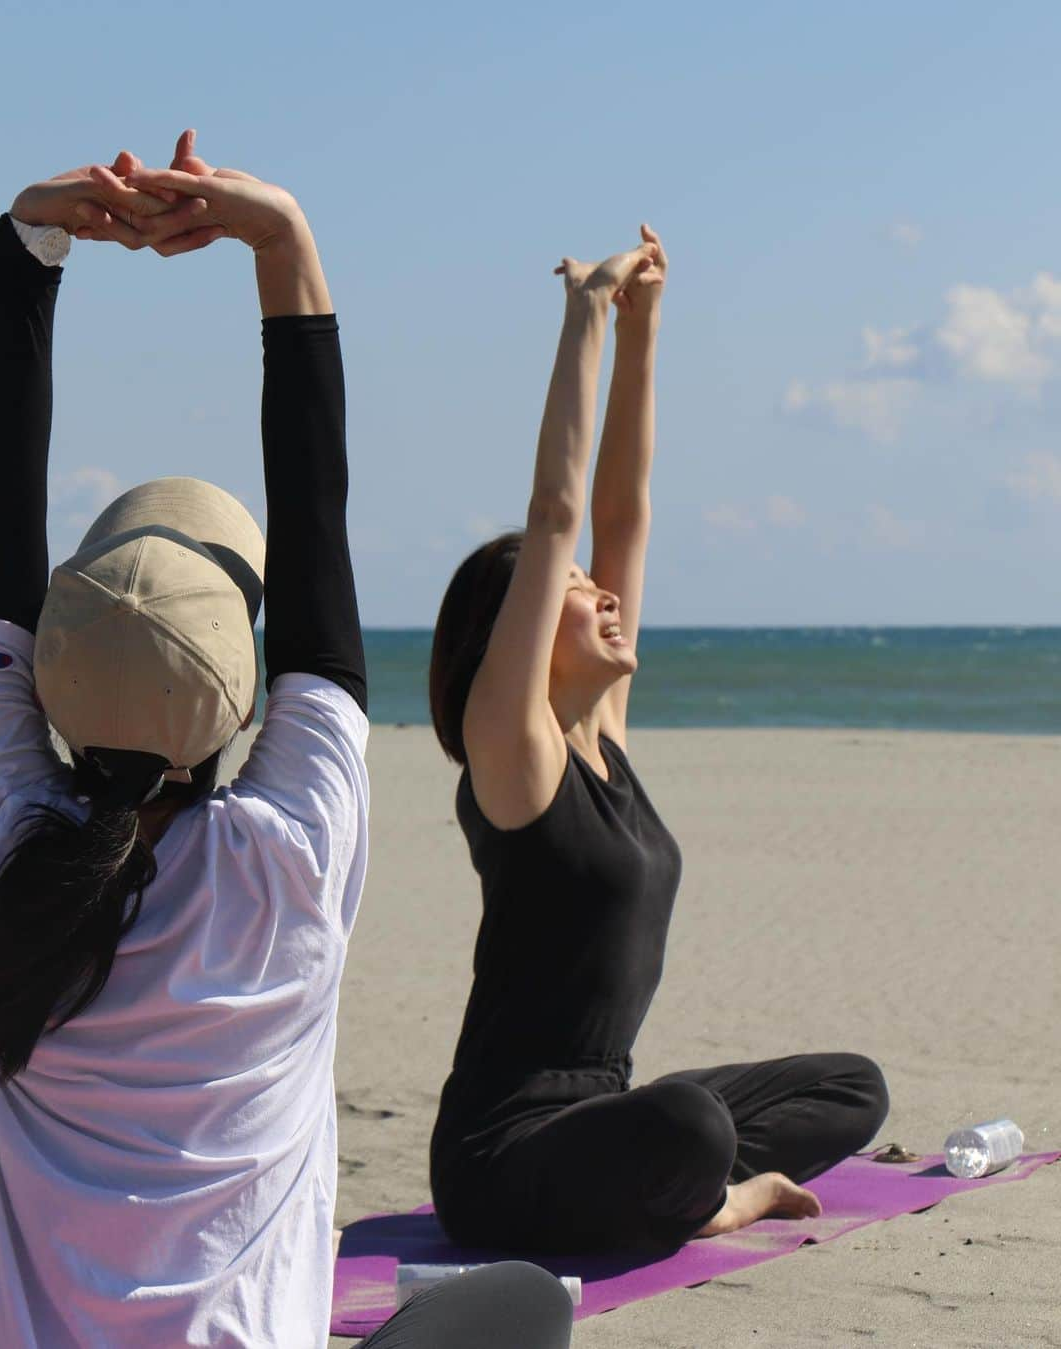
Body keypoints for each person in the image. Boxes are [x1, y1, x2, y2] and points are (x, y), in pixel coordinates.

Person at [0, 134, 573, 1349]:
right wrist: (279, 239)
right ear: (240, 699)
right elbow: (316, 532)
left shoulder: (2, 838)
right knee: (515, 1310)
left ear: (46, 674)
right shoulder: (282, 862)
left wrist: (29, 248)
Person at [427, 227, 890, 1254]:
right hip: (503, 1157)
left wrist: (647, 332)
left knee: (851, 1086)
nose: (605, 595)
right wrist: (586, 314)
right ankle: (719, 1196)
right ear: (516, 636)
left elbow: (621, 514)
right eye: (578, 591)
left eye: (601, 587)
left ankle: (683, 1178)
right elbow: (559, 512)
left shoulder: (605, 741)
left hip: (604, 1115)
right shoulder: (516, 751)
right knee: (692, 1124)